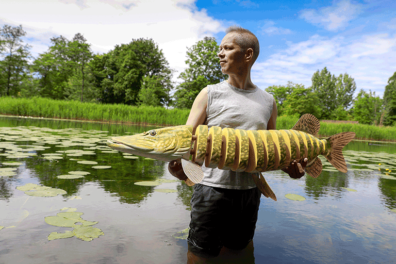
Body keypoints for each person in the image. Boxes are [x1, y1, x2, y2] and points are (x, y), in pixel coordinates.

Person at [169, 26, 308, 263]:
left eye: (227, 48)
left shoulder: (268, 102)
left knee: (238, 253)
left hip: (249, 194)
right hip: (210, 191)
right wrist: (179, 169)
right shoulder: (209, 94)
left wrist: (292, 169)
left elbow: (273, 152)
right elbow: (185, 141)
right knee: (200, 256)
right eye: (219, 48)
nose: (219, 54)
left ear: (247, 54)